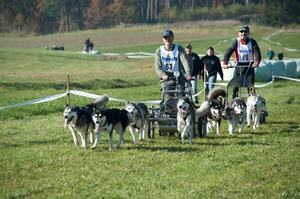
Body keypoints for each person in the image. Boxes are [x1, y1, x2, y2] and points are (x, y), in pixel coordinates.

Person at [223, 25, 261, 99]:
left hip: (249, 65)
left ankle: (252, 101)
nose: (243, 33)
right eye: (241, 31)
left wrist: (256, 62)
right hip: (239, 65)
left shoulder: (252, 42)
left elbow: (257, 53)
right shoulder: (236, 42)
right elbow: (228, 52)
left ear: (248, 33)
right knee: (236, 84)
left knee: (250, 85)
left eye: (245, 31)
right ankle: (234, 101)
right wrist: (225, 63)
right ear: (238, 33)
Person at [154, 29, 192, 99]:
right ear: (163, 39)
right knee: (167, 99)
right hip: (166, 79)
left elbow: (185, 62)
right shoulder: (159, 51)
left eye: (169, 37)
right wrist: (163, 75)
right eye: (165, 37)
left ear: (173, 37)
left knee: (182, 97)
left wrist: (188, 73)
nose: (167, 39)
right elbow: (157, 67)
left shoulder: (179, 49)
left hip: (179, 77)